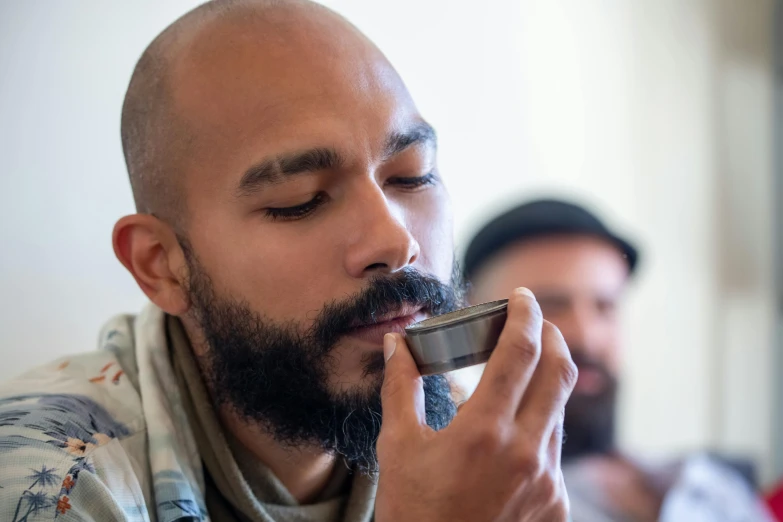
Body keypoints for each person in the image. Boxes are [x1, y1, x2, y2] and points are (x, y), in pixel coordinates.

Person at [0, 2, 577, 521]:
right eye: (299, 202)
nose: (395, 244)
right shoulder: (50, 485)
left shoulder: (481, 452)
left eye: (412, 175)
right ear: (161, 265)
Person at [463, 198, 773, 522]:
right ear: (473, 327)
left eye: (605, 307)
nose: (587, 336)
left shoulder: (711, 484)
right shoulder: (465, 505)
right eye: (548, 306)